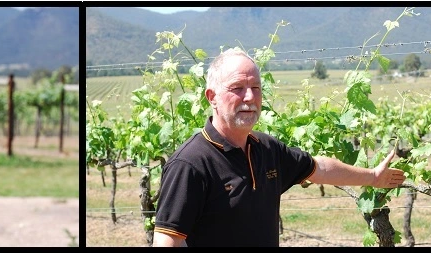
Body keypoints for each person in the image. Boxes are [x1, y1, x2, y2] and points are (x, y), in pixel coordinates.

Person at [152, 48, 406, 247]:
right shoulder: (191, 164)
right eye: (237, 88)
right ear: (212, 97)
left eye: (255, 88)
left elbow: (321, 168)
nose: (249, 97)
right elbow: (167, 242)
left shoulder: (267, 149)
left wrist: (372, 177)